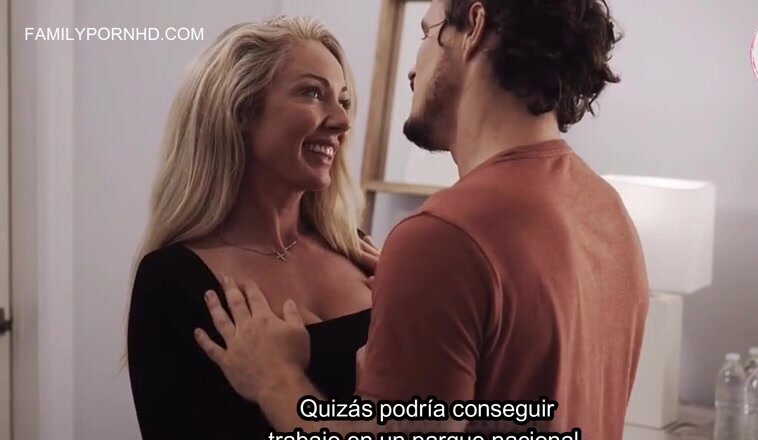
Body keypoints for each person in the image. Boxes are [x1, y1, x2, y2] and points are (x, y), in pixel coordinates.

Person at [194, 0, 650, 439]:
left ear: (473, 28)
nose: (413, 70)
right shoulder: (607, 211)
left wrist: (277, 380)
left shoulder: (443, 238)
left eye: (426, 33)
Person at [126, 16, 380, 439]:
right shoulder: (171, 280)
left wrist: (416, 304)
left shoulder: (361, 253)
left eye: (344, 101)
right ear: (241, 111)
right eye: (312, 92)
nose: (342, 121)